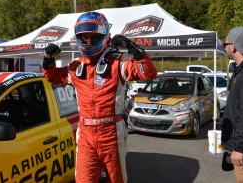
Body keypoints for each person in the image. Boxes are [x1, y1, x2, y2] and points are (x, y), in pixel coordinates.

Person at [42, 11, 157, 183]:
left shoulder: (118, 63)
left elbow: (148, 73)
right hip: (86, 133)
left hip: (112, 133)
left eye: (93, 37)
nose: (88, 42)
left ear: (104, 36)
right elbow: (53, 77)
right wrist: (48, 60)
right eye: (84, 37)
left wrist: (133, 48)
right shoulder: (75, 67)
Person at [221, 27, 243, 182]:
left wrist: (240, 147)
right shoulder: (239, 72)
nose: (225, 47)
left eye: (225, 43)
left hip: (241, 149)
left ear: (233, 46)